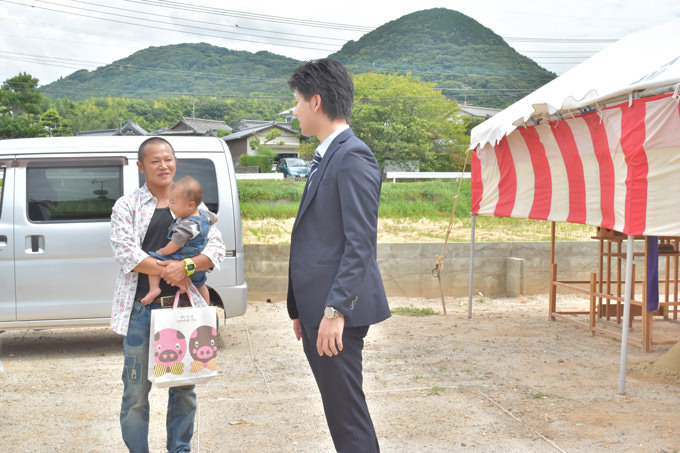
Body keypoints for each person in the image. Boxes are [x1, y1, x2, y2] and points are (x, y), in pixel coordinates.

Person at [286, 59, 391, 452]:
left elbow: (359, 241)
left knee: (347, 419)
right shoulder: (327, 155)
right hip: (319, 310)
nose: (294, 111)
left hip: (337, 313)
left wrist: (335, 311)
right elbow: (317, 239)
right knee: (340, 414)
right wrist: (300, 307)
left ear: (316, 101)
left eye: (296, 101)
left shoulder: (352, 156)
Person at [109, 136, 226, 453]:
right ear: (141, 166)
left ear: (176, 162)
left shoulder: (193, 205)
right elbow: (126, 253)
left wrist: (186, 265)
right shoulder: (127, 206)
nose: (163, 165)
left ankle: (180, 449)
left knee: (185, 388)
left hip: (184, 310)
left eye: (168, 159)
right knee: (135, 391)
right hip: (141, 311)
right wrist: (168, 270)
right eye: (155, 160)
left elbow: (216, 249)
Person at [141, 176, 218, 306]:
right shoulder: (204, 214)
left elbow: (175, 244)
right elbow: (215, 218)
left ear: (190, 205)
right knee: (201, 285)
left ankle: (154, 288)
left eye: (173, 203)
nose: (170, 206)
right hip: (197, 261)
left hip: (182, 257)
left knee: (154, 259)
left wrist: (163, 251)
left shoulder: (185, 226)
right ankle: (205, 308)